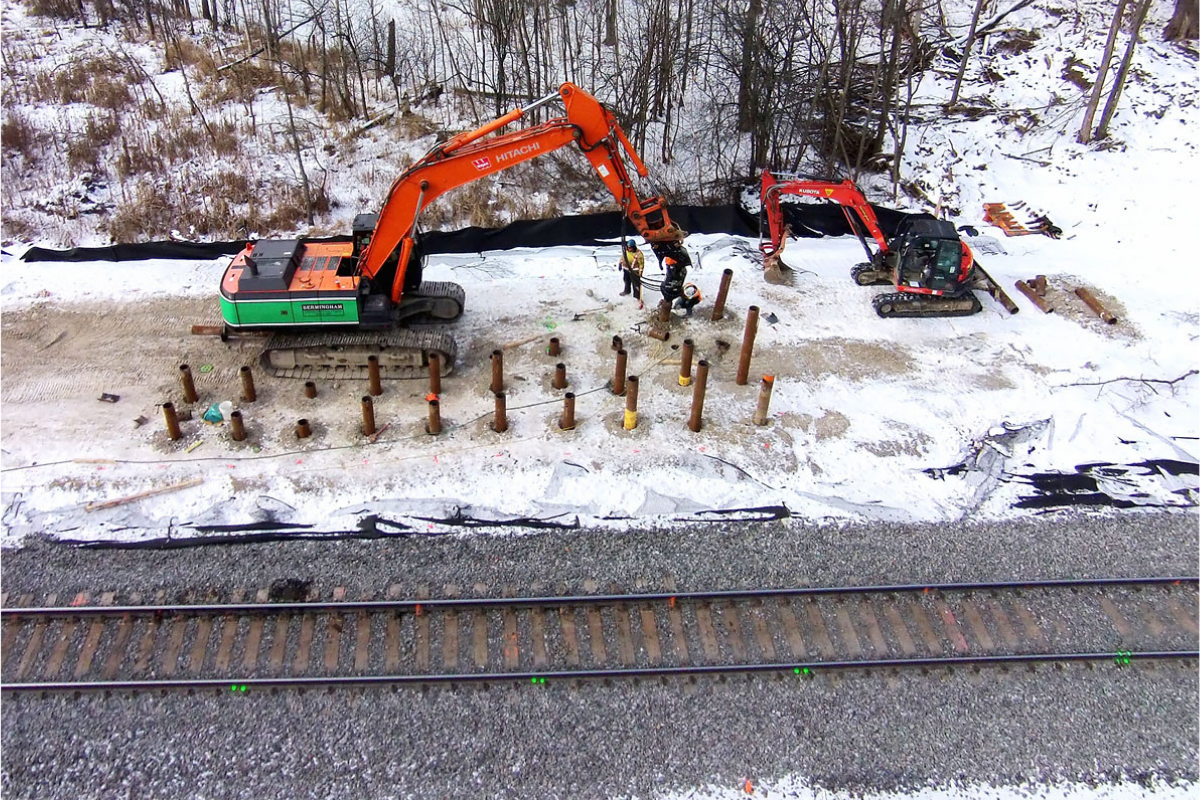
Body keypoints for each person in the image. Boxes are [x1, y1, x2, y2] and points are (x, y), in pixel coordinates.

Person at [618, 239, 644, 307]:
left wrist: (640, 272)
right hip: (626, 269)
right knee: (626, 281)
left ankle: (638, 297)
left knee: (636, 284)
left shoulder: (639, 254)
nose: (629, 249)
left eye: (630, 247)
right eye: (628, 247)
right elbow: (622, 257)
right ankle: (627, 290)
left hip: (634, 271)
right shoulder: (626, 251)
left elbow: (641, 264)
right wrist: (620, 264)